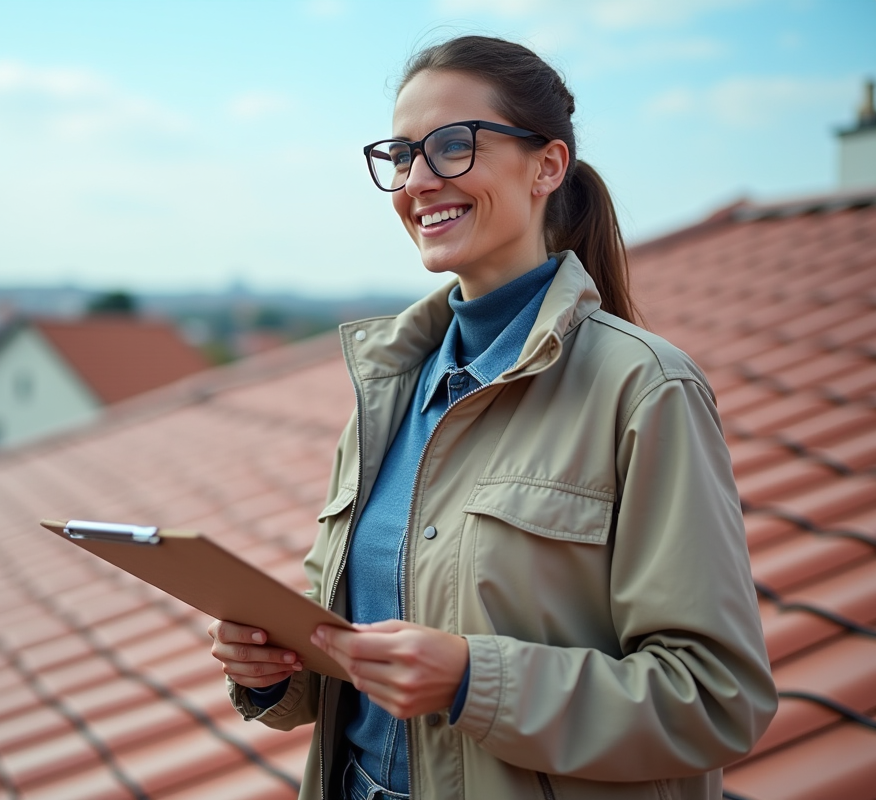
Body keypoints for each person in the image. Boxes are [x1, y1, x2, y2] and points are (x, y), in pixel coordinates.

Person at [207, 34, 776, 800]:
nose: (417, 181)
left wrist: (476, 679)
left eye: (450, 146)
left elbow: (715, 699)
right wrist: (277, 672)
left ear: (547, 165)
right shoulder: (390, 390)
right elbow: (351, 651)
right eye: (402, 156)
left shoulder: (644, 390)